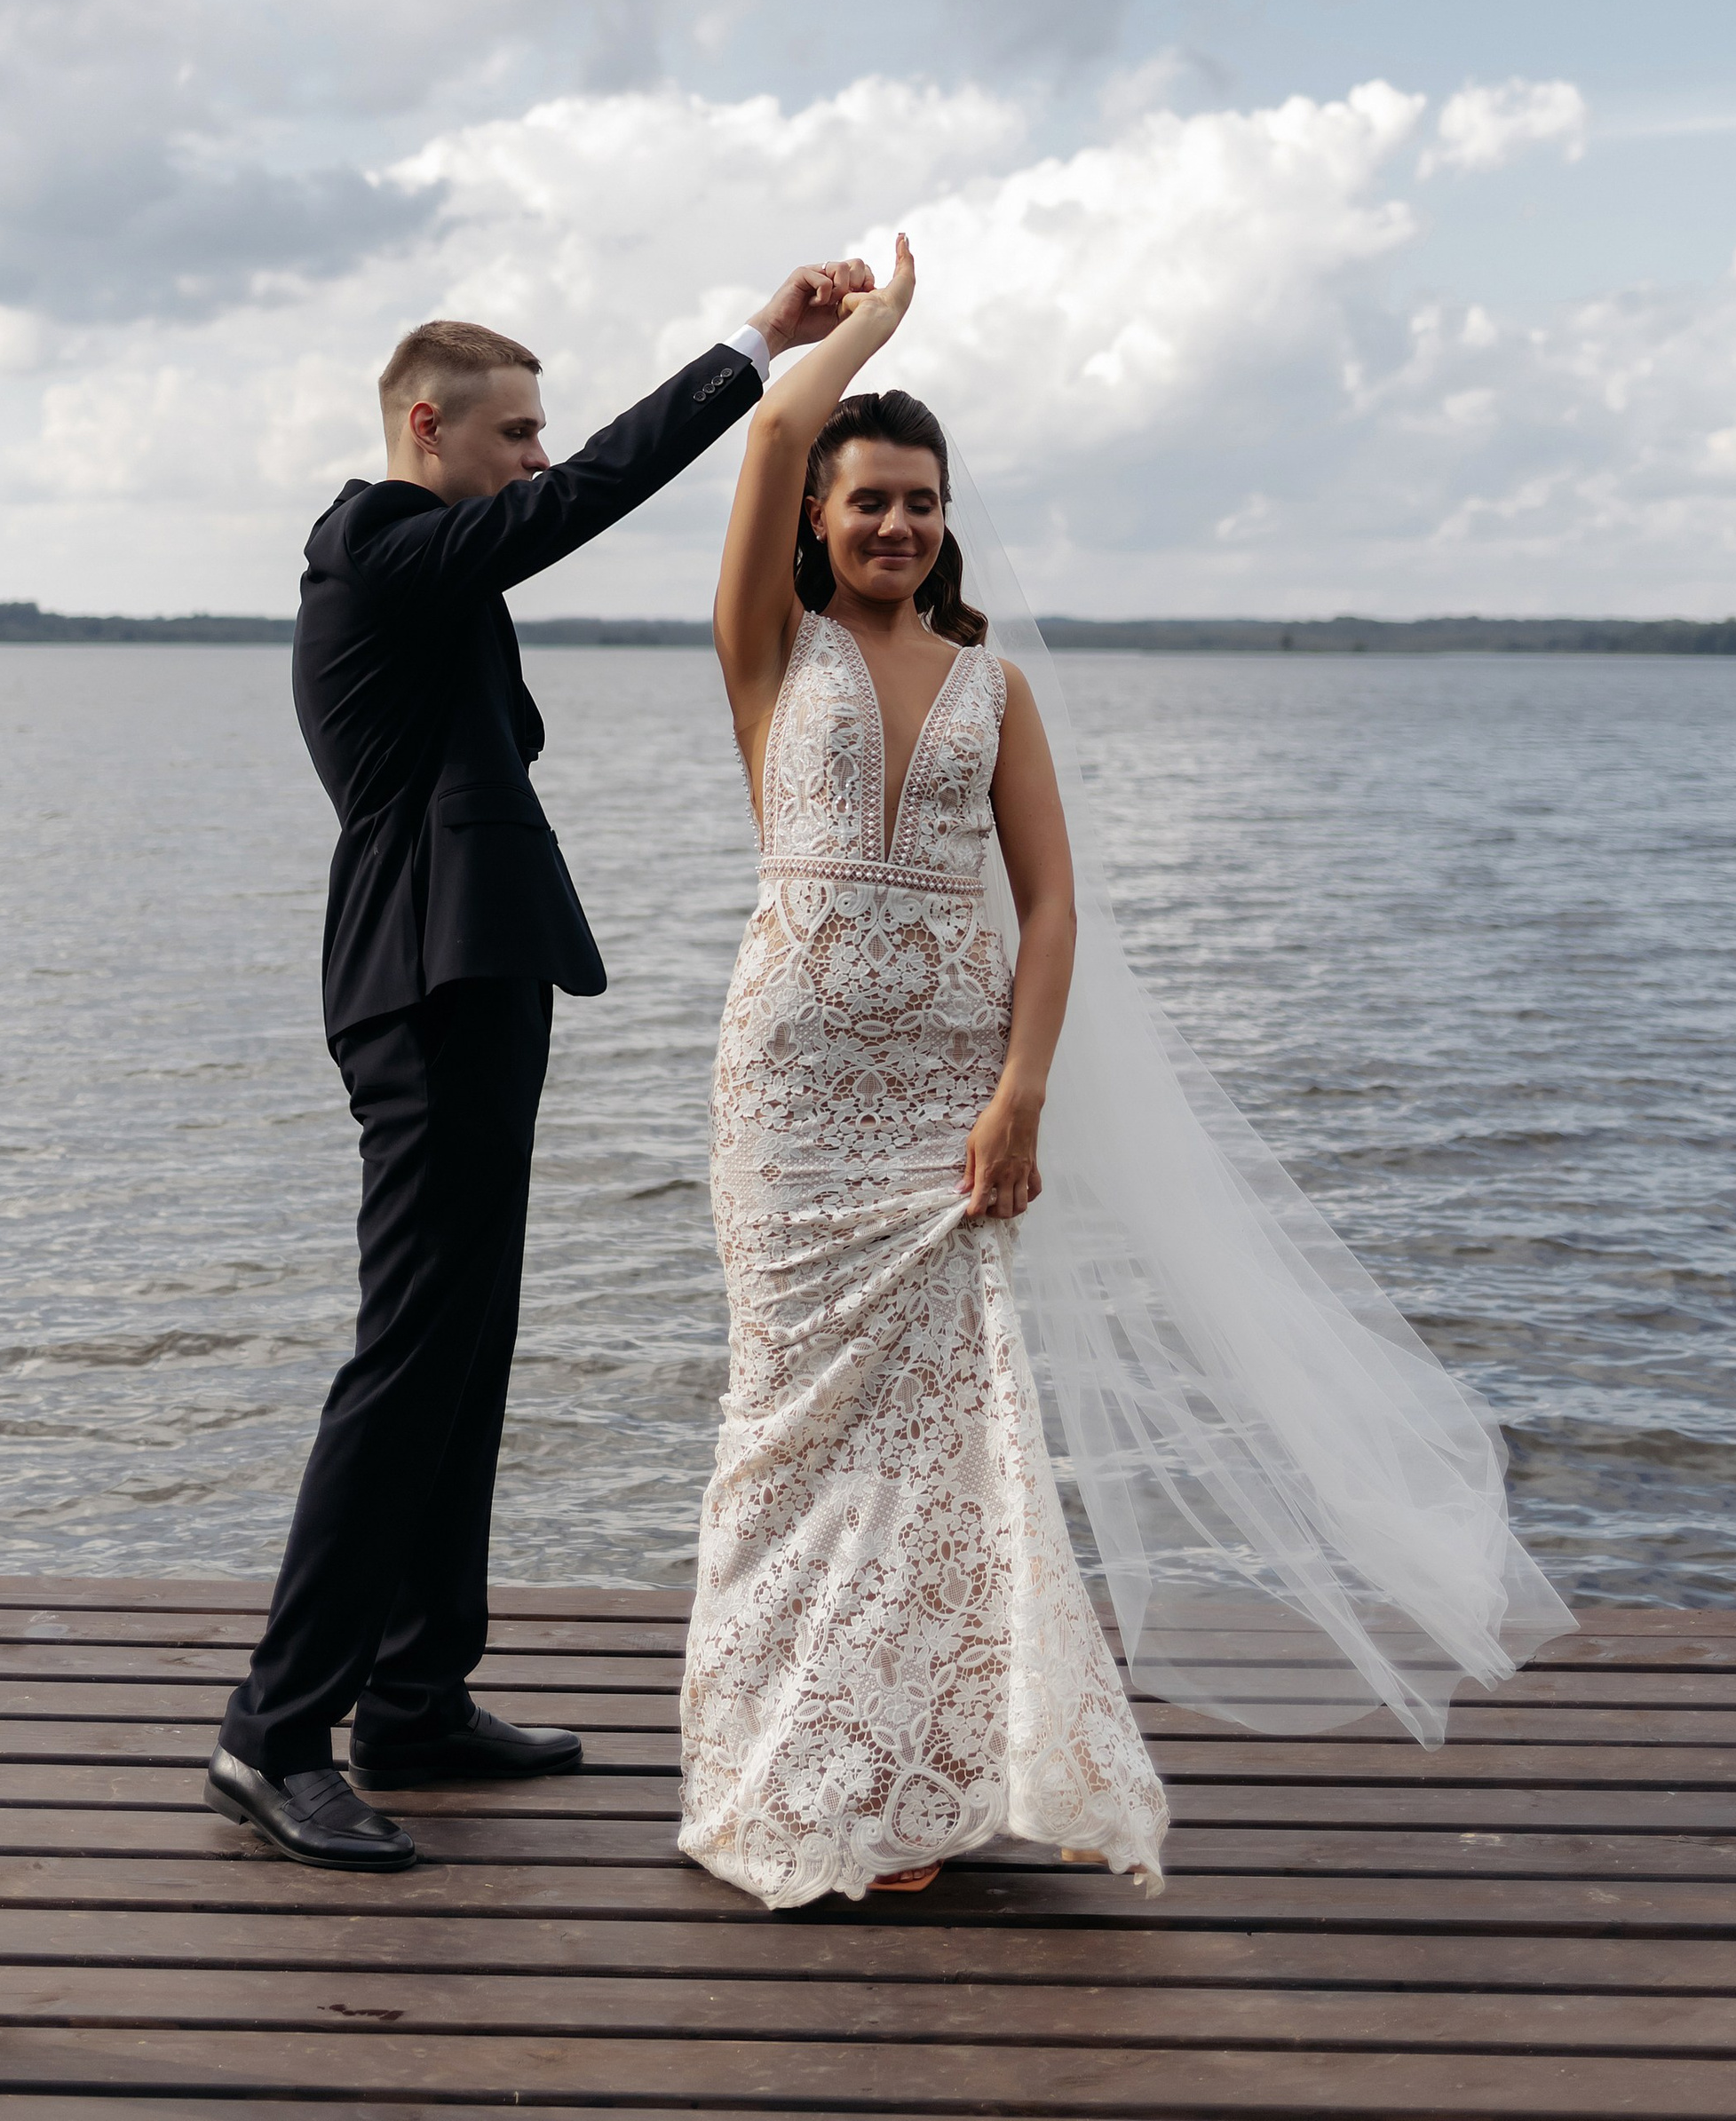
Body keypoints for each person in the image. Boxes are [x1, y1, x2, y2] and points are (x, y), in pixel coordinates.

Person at [210, 260, 873, 1873]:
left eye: (539, 431)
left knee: (467, 1344)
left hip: (476, 973)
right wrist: (754, 351)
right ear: (424, 428)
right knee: (408, 1353)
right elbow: (577, 505)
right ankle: (273, 1732)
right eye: (513, 432)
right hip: (424, 985)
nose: (535, 455)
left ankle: (415, 1696)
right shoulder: (377, 546)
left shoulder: (428, 569)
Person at [678, 235, 1171, 1905]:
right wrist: (869, 328)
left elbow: (1052, 907)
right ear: (819, 518)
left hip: (947, 1105)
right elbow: (765, 428)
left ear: (949, 520)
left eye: (922, 502)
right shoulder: (768, 651)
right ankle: (781, 1769)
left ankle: (915, 1779)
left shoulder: (993, 685)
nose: (896, 525)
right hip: (792, 1099)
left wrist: (1020, 1094)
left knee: (944, 1448)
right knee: (785, 1428)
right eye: (869, 501)